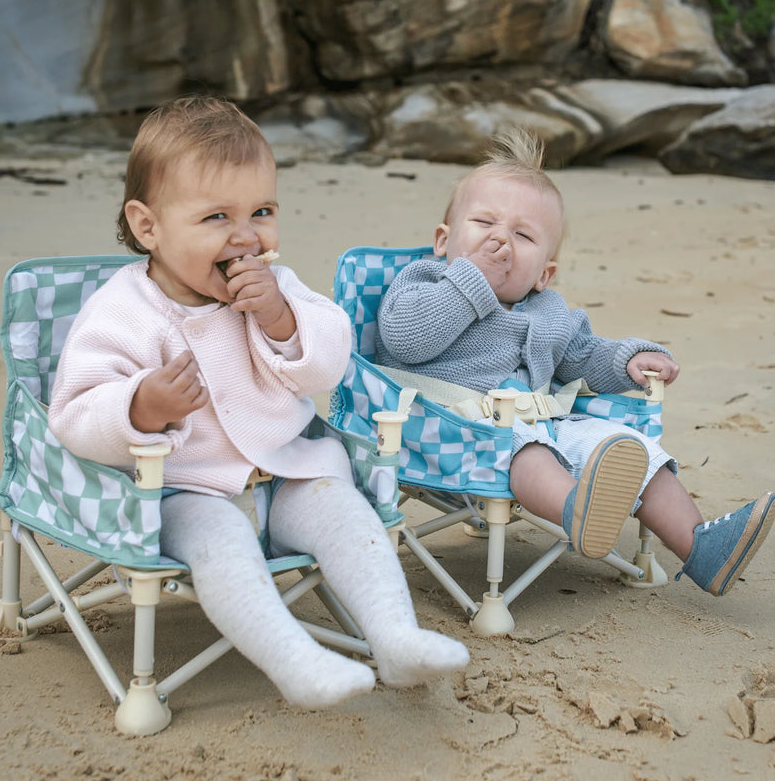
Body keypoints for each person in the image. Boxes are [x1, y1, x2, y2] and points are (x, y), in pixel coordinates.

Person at [48, 95, 468, 710]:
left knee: (349, 515)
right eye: (216, 216)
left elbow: (328, 360)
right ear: (148, 227)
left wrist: (278, 316)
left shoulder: (278, 287)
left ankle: (394, 637)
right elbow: (74, 412)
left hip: (286, 470)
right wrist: (137, 406)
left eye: (262, 211)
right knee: (222, 544)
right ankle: (293, 661)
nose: (246, 235)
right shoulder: (123, 312)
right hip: (184, 491)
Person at [374, 126, 775, 596]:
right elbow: (405, 340)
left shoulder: (545, 309)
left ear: (544, 273)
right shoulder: (423, 282)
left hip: (547, 424)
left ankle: (700, 546)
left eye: (522, 235)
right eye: (484, 224)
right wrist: (470, 281)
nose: (499, 241)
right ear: (444, 241)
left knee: (628, 444)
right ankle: (579, 513)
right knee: (526, 451)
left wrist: (628, 359)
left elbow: (582, 355)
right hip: (452, 431)